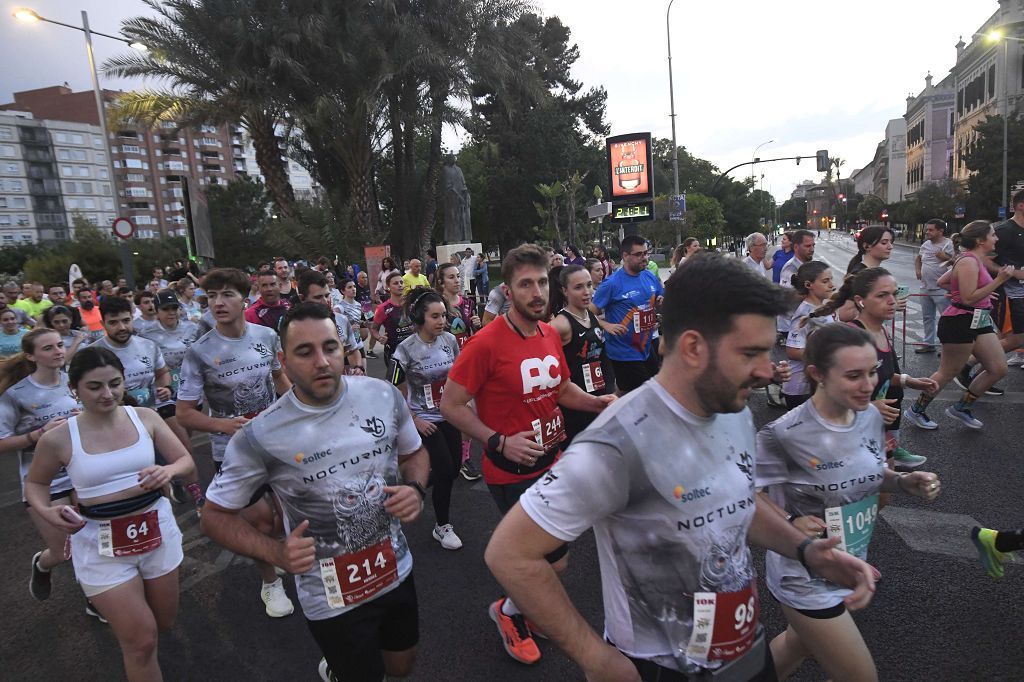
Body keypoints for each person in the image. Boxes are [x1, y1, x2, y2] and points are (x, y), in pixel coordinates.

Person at [484, 253, 878, 682]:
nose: (767, 370)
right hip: (661, 667)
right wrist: (594, 658)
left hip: (743, 650)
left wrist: (803, 550)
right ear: (693, 347)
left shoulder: (732, 408)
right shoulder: (617, 443)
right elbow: (510, 552)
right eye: (750, 352)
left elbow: (737, 502)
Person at [201, 302, 429, 682]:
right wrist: (276, 553)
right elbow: (213, 516)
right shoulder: (260, 436)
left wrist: (417, 488)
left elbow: (414, 452)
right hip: (331, 596)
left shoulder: (382, 395)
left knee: (401, 668)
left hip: (395, 570)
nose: (321, 361)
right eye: (305, 352)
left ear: (343, 349)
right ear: (283, 361)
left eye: (330, 347)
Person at [440, 243, 614, 666]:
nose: (536, 292)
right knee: (546, 562)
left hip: (551, 461)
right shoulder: (485, 343)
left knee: (555, 558)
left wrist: (599, 402)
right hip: (510, 471)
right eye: (525, 284)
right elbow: (450, 405)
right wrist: (497, 441)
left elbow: (560, 388)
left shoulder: (549, 333)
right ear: (508, 290)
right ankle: (510, 611)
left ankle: (528, 607)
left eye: (541, 282)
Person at [757, 312, 940, 682]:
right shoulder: (785, 434)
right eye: (854, 376)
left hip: (850, 560)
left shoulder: (869, 417)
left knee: (798, 645)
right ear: (817, 375)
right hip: (802, 574)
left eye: (872, 372)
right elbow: (743, 495)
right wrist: (791, 521)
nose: (868, 385)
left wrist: (904, 482)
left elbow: (867, 474)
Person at [25, 346, 195, 681]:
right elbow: (35, 483)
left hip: (156, 529)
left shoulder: (145, 417)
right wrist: (47, 511)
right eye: (95, 387)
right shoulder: (59, 437)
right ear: (74, 388)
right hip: (100, 543)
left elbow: (185, 459)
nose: (108, 394)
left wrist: (169, 472)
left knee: (163, 623)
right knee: (142, 642)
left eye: (115, 384)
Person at [176, 268, 295, 617]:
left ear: (246, 297)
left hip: (276, 439)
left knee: (285, 513)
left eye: (226, 294)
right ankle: (270, 582)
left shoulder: (266, 335)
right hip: (232, 449)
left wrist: (303, 409)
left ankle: (279, 552)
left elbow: (279, 379)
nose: (217, 303)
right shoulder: (199, 352)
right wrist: (223, 425)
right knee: (258, 520)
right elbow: (184, 414)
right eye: (211, 296)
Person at [810, 267, 933, 469]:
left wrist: (908, 381)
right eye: (882, 295)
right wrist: (869, 408)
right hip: (846, 437)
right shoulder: (850, 338)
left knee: (883, 493)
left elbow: (880, 373)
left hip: (876, 432)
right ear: (860, 301)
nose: (892, 301)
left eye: (894, 293)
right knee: (853, 496)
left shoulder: (881, 330)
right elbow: (824, 396)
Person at [905, 221, 1014, 430]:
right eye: (993, 235)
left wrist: (977, 290)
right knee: (947, 372)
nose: (996, 238)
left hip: (979, 320)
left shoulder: (975, 259)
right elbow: (968, 297)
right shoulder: (968, 262)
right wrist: (997, 281)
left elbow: (944, 282)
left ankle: (962, 407)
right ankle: (916, 410)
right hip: (960, 321)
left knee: (998, 368)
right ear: (981, 241)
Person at [0, 328, 81, 605]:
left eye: (60, 345)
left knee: (97, 543)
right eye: (48, 348)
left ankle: (98, 599)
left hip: (82, 474)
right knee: (64, 553)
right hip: (45, 482)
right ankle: (42, 565)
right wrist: (38, 434)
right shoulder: (16, 394)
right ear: (30, 356)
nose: (58, 351)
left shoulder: (74, 381)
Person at [390, 288, 464, 550]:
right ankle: (442, 526)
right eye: (435, 316)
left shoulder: (449, 341)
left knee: (453, 470)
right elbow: (396, 392)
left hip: (448, 415)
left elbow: (456, 377)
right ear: (420, 319)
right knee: (444, 469)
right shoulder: (404, 350)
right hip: (422, 418)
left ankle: (413, 487)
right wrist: (415, 421)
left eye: (443, 315)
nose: (442, 321)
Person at [141, 290, 204, 508]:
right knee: (184, 446)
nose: (170, 313)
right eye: (165, 309)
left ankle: (175, 475)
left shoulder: (192, 328)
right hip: (166, 393)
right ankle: (198, 499)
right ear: (156, 312)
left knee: (184, 437)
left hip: (192, 390)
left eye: (174, 308)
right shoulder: (147, 334)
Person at [549, 265, 615, 443]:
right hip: (575, 404)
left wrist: (610, 388)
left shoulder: (590, 316)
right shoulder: (560, 324)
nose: (587, 292)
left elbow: (602, 357)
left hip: (598, 395)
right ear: (565, 290)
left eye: (589, 285)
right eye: (578, 287)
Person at [592, 235, 664, 394]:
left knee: (644, 393)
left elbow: (661, 302)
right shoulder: (611, 284)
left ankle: (612, 406)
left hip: (646, 347)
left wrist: (661, 304)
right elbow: (586, 315)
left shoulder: (649, 277)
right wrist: (606, 325)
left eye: (646, 253)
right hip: (623, 352)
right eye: (638, 254)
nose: (644, 258)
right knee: (645, 397)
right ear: (625, 256)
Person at [435, 262, 482, 481]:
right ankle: (439, 456)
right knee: (442, 411)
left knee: (468, 409)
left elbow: (472, 333)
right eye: (451, 277)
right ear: (441, 281)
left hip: (465, 361)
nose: (456, 281)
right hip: (441, 362)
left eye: (457, 276)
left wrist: (476, 324)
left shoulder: (468, 303)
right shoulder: (436, 305)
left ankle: (464, 458)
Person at [89, 297, 171, 412]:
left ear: (132, 319)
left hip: (150, 412)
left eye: (126, 321)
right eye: (113, 322)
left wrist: (166, 388)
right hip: (111, 416)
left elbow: (162, 373)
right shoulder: (91, 353)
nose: (121, 327)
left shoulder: (149, 345)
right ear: (103, 324)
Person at [782, 261, 835, 409]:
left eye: (831, 279)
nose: (831, 285)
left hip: (816, 384)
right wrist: (827, 358)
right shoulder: (805, 314)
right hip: (801, 388)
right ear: (808, 285)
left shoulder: (820, 308)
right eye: (825, 281)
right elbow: (792, 350)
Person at [296, 270, 364, 374]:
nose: (325, 301)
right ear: (302, 298)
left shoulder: (341, 319)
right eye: (318, 297)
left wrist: (358, 368)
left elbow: (354, 350)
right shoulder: (294, 328)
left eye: (327, 295)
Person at [915, 219, 954, 353]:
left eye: (931, 230)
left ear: (940, 231)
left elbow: (958, 262)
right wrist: (918, 270)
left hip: (941, 288)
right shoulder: (926, 244)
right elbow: (918, 258)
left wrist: (945, 257)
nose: (927, 232)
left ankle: (947, 346)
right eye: (927, 229)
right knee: (927, 317)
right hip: (925, 286)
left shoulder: (948, 244)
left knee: (946, 318)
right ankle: (928, 343)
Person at [370, 271, 414, 364]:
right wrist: (380, 338)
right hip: (394, 352)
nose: (400, 285)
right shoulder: (382, 308)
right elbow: (374, 329)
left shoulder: (411, 304)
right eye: (396, 283)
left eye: (401, 282)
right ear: (387, 287)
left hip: (415, 350)